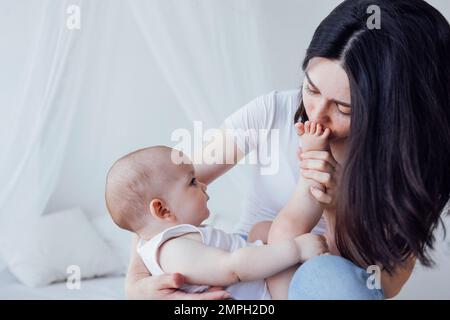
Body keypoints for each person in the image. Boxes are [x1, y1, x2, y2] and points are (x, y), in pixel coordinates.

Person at [125, 0, 450, 299]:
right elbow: (159, 193)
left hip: (327, 287)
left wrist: (336, 208)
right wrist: (137, 285)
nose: (316, 114)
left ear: (393, 109)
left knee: (332, 278)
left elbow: (384, 286)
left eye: (343, 108)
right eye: (311, 88)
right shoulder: (273, 112)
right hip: (247, 280)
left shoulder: (413, 164)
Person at [105, 146, 328, 300]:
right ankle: (314, 173)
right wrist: (295, 250)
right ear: (162, 210)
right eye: (192, 182)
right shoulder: (174, 250)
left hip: (256, 269)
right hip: (269, 293)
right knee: (287, 231)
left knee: (261, 230)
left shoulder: (161, 240)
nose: (203, 184)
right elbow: (234, 268)